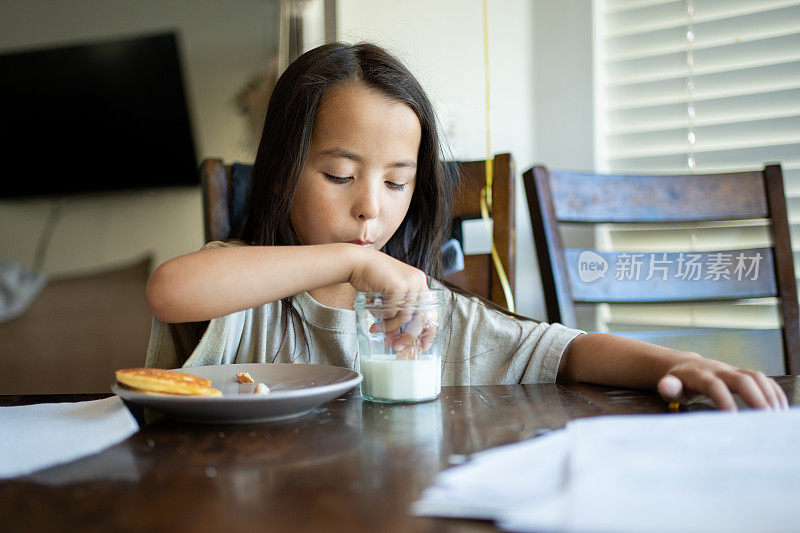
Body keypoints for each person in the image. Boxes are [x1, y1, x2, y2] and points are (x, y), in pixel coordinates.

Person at [144, 42, 787, 411]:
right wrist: (350, 262)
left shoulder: (420, 316)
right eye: (340, 175)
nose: (372, 207)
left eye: (396, 183)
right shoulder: (244, 296)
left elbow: (564, 351)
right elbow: (170, 290)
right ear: (284, 168)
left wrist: (681, 362)